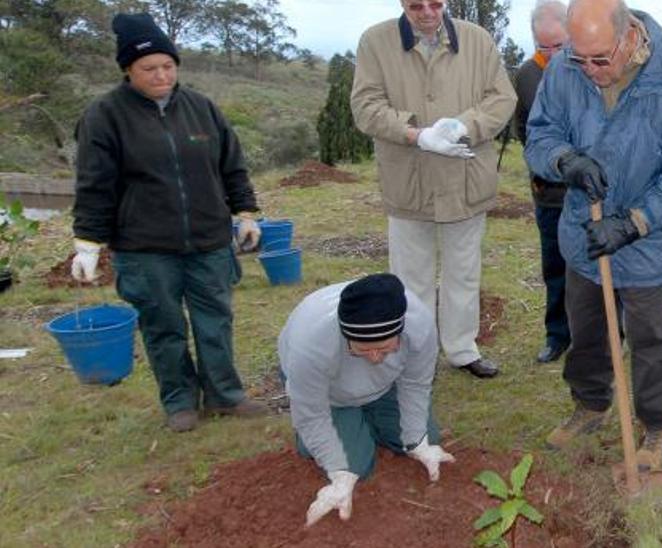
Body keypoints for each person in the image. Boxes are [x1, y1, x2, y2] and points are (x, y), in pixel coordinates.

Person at [523, 0, 662, 472]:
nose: (590, 70)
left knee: (650, 335)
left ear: (629, 36)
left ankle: (660, 424)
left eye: (600, 59)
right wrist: (564, 161)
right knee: (586, 326)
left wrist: (633, 222)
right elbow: (541, 134)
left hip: (647, 234)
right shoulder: (566, 69)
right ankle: (591, 404)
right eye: (580, 57)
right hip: (583, 228)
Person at [71, 13, 266, 433]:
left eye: (168, 66)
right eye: (148, 69)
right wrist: (88, 240)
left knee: (215, 320)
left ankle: (224, 396)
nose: (161, 76)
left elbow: (232, 166)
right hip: (144, 247)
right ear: (127, 69)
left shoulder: (201, 109)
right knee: (163, 326)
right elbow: (94, 183)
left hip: (208, 239)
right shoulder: (104, 116)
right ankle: (179, 401)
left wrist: (246, 213)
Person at [351, 0, 517, 379]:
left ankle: (462, 349)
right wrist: (417, 134)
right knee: (411, 278)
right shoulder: (374, 42)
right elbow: (365, 107)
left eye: (435, 3)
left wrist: (464, 126)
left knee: (464, 271)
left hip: (465, 180)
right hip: (409, 182)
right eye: (415, 5)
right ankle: (415, 354)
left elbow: (502, 98)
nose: (427, 12)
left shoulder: (478, 40)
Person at [279, 273, 454, 526]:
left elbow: (415, 384)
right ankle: (351, 422)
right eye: (361, 350)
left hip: (384, 386)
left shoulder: (419, 326)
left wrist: (419, 441)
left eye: (384, 349)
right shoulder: (310, 347)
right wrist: (338, 473)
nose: (374, 358)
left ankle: (365, 415)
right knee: (354, 467)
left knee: (424, 438)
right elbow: (311, 414)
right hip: (329, 397)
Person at [513, 0, 573, 364]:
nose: (550, 55)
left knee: (602, 266)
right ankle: (557, 336)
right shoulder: (526, 75)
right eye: (542, 47)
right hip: (549, 193)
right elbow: (522, 128)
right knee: (555, 266)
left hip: (592, 192)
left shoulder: (592, 68)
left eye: (558, 46)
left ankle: (610, 333)